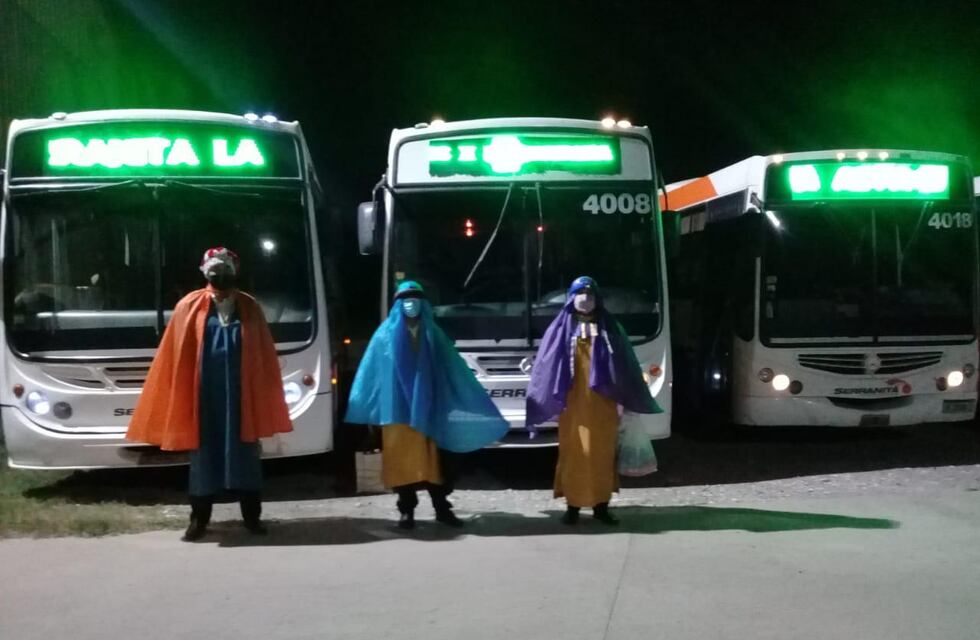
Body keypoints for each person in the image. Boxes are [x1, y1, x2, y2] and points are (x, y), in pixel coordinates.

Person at [127, 247, 292, 541]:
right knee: (203, 459)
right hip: (203, 397)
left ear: (235, 272)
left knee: (245, 456)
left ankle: (252, 518)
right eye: (215, 270)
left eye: (226, 269)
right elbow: (176, 357)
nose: (220, 275)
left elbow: (262, 354)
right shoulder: (188, 307)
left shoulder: (250, 307)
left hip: (241, 397)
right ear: (205, 272)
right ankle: (199, 520)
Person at [345, 280, 509, 529]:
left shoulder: (434, 334)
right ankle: (406, 510)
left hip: (431, 408)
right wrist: (368, 409)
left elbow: (452, 370)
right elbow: (371, 375)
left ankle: (442, 508)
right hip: (398, 411)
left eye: (416, 298)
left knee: (437, 461)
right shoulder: (384, 336)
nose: (411, 304)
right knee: (402, 463)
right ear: (397, 304)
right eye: (405, 299)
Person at [526, 276, 661, 525]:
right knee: (574, 454)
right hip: (572, 408)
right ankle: (573, 506)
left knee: (602, 456)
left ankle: (601, 506)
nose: (585, 299)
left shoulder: (611, 329)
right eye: (580, 293)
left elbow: (625, 365)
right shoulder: (559, 330)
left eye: (589, 293)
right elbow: (545, 368)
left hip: (604, 407)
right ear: (571, 297)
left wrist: (628, 397)